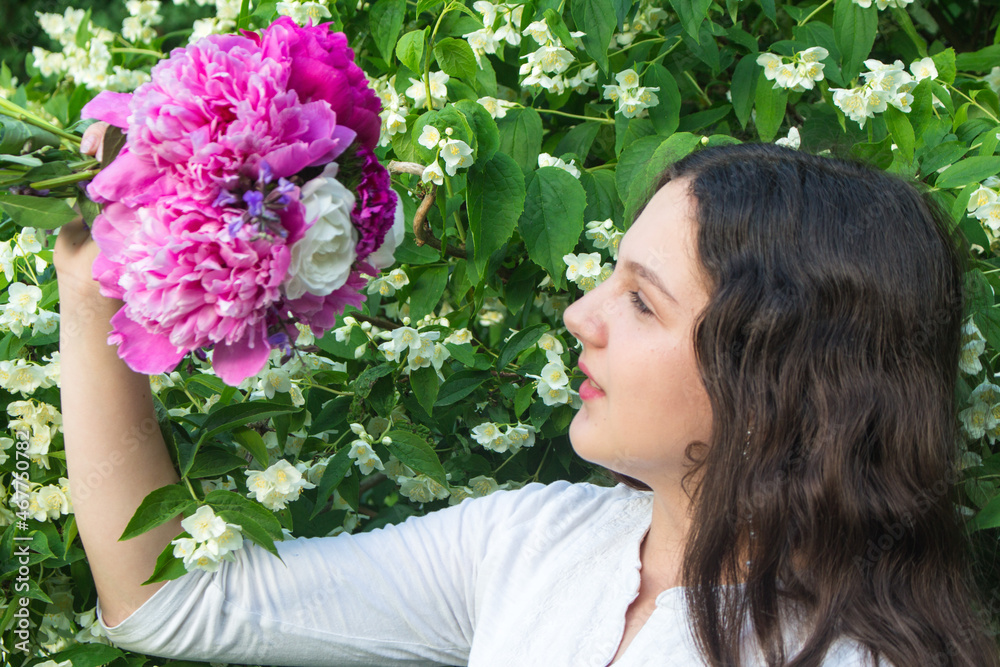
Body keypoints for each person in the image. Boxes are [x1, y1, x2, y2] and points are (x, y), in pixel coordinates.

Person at [53, 124, 999, 667]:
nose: (582, 312)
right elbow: (176, 596)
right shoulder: (533, 543)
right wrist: (95, 297)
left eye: (642, 299)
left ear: (777, 376)